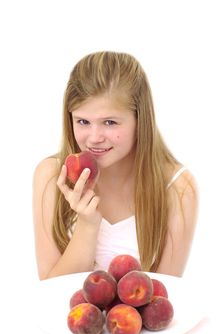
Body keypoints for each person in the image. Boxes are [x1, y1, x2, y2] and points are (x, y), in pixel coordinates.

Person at [32, 51, 198, 280]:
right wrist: (88, 225)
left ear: (141, 120)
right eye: (83, 121)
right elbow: (51, 293)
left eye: (109, 122)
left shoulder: (177, 187)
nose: (94, 138)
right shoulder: (51, 175)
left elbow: (163, 300)